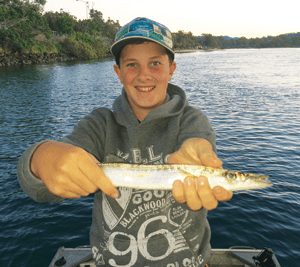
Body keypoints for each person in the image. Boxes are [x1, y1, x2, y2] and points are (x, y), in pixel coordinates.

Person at [17, 17, 232, 267]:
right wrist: (42, 157)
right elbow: (37, 187)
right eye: (132, 65)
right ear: (118, 72)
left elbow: (198, 142)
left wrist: (199, 154)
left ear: (171, 69)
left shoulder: (192, 119)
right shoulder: (99, 125)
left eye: (155, 63)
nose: (144, 75)